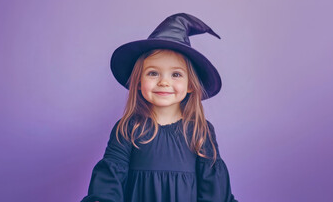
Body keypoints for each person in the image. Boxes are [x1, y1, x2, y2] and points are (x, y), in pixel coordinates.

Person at [81, 13, 238, 202]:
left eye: (176, 75)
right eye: (153, 73)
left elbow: (214, 191)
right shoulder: (128, 129)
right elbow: (109, 184)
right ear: (138, 81)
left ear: (191, 85)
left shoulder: (201, 131)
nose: (164, 82)